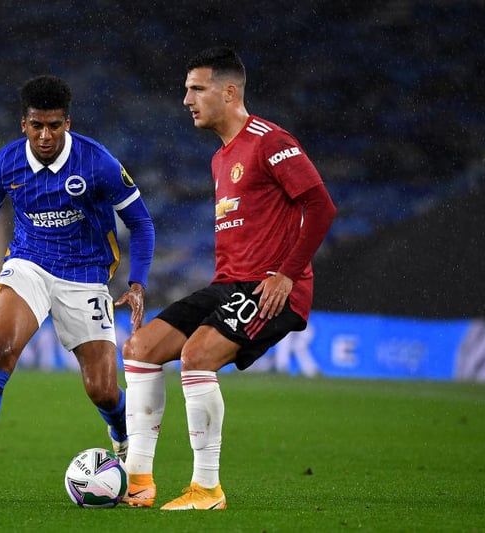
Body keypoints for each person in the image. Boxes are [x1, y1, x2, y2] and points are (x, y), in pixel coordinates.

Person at [121, 46, 336, 510]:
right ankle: (137, 481)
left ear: (229, 91)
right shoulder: (221, 159)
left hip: (272, 288)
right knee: (139, 348)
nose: (186, 99)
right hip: (228, 283)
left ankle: (207, 489)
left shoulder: (271, 141)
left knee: (196, 356)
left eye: (196, 88)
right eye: (186, 90)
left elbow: (321, 206)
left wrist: (286, 274)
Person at [0, 75, 155, 501]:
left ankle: (121, 433)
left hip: (87, 274)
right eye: (37, 125)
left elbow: (141, 222)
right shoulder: (5, 164)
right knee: (1, 350)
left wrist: (137, 283)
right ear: (24, 124)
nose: (45, 135)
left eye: (54, 126)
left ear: (67, 124)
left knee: (103, 389)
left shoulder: (98, 163)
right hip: (28, 265)